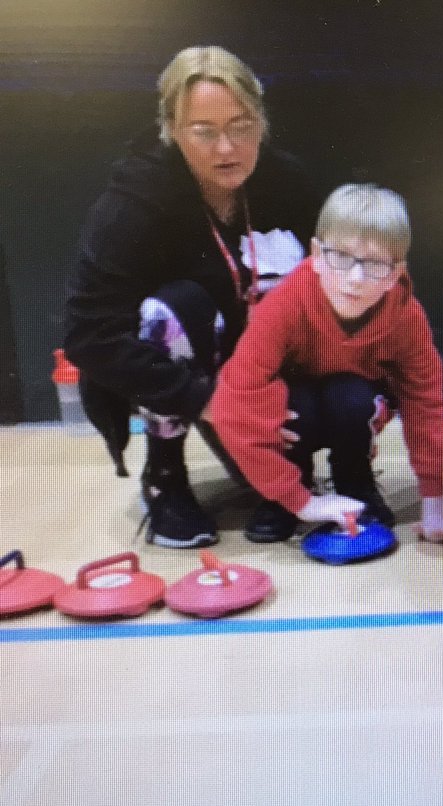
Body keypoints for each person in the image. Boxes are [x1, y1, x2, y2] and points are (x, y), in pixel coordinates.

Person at [63, 46, 320, 548]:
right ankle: (165, 477)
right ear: (172, 130)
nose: (227, 148)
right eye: (204, 131)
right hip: (180, 371)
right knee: (178, 306)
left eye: (241, 125)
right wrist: (207, 399)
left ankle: (279, 457)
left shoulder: (289, 182)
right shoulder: (132, 203)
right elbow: (87, 334)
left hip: (262, 368)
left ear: (261, 122)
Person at [208, 184, 443, 544]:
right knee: (291, 405)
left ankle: (355, 479)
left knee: (352, 397)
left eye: (374, 264)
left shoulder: (407, 318)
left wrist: (433, 500)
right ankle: (287, 490)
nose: (354, 279)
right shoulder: (282, 307)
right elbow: (233, 401)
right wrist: (300, 502)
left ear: (394, 274)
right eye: (340, 256)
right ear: (314, 254)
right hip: (295, 408)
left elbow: (425, 402)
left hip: (354, 399)